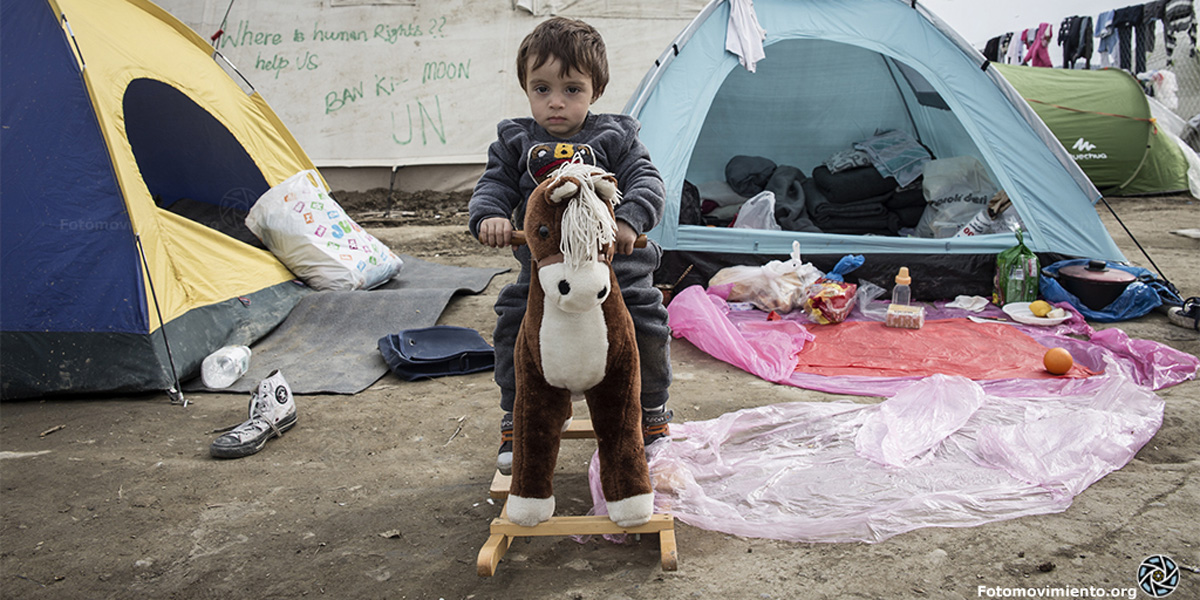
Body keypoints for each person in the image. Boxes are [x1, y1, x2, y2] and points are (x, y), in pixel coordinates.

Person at [468, 16, 672, 475]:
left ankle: (652, 411)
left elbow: (647, 181)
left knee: (646, 318)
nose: (555, 102)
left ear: (596, 90)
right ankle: (519, 416)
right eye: (541, 89)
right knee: (513, 321)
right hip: (545, 272)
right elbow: (493, 185)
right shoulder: (514, 141)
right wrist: (491, 215)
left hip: (615, 268)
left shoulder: (616, 136)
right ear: (525, 88)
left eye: (572, 89)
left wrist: (628, 219)